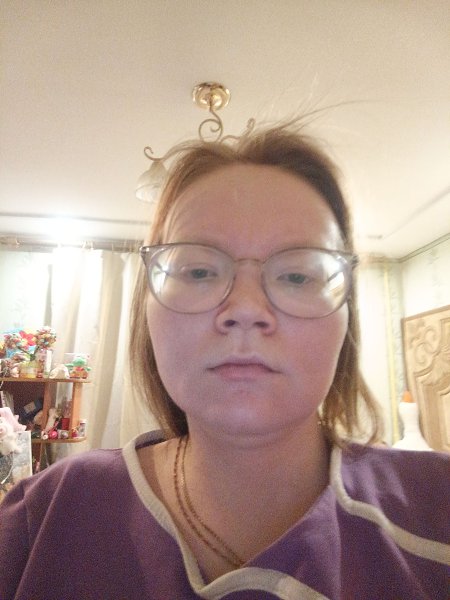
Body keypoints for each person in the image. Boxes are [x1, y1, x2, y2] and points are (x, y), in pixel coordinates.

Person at [0, 120, 448, 600]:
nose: (247, 310)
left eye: (298, 276)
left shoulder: (437, 507)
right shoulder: (42, 518)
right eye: (197, 271)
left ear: (346, 320)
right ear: (147, 313)